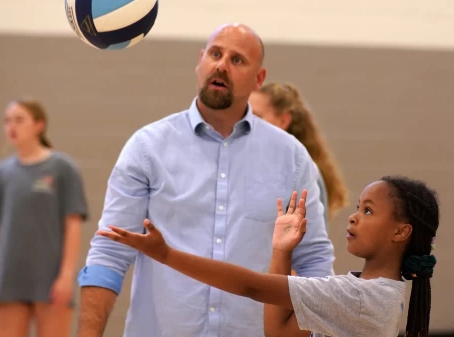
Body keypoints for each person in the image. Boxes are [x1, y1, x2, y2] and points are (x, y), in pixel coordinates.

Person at [77, 23, 334, 337]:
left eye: (237, 60)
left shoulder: (291, 157)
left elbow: (315, 262)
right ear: (200, 62)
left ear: (259, 79)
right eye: (215, 54)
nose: (222, 65)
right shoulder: (147, 148)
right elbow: (110, 252)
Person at [98, 175, 439, 337]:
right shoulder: (371, 293)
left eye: (368, 210)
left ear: (400, 232)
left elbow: (251, 286)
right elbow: (280, 332)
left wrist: (166, 254)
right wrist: (281, 251)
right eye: (357, 208)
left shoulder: (363, 298)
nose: (353, 217)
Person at [0, 99, 89, 337]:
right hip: (8, 278)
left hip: (50, 278)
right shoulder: (1, 173)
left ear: (39, 125)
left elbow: (73, 226)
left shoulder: (63, 168)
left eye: (19, 119)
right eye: (7, 121)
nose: (11, 126)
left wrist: (67, 275)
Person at [249, 82, 349, 223]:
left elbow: (312, 241)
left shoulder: (302, 173)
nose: (247, 123)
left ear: (283, 121)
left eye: (256, 117)